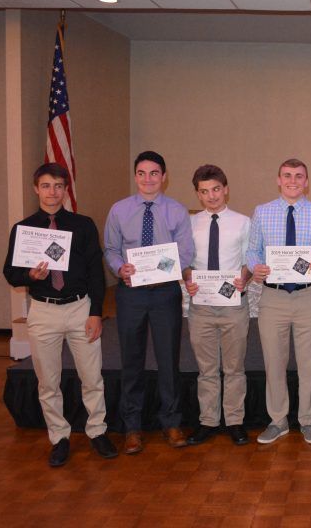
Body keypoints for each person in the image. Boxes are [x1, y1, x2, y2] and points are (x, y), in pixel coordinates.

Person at [2, 163, 118, 467]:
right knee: (48, 381)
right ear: (35, 189)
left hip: (80, 308)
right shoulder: (24, 230)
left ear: (66, 190)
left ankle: (97, 431)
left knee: (92, 377)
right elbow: (11, 274)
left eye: (58, 186)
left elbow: (96, 273)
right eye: (46, 186)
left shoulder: (83, 225)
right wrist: (31, 274)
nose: (52, 192)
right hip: (43, 311)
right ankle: (59, 437)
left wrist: (95, 312)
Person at [104, 151, 195, 454]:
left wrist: (162, 270)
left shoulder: (177, 211)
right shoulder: (119, 210)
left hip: (165, 292)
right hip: (130, 293)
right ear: (135, 176)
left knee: (169, 359)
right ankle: (132, 427)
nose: (147, 179)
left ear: (164, 176)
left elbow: (186, 252)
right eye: (141, 173)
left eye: (154, 173)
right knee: (131, 359)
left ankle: (171, 422)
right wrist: (120, 268)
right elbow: (111, 249)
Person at [248, 159, 311, 446]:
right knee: (274, 362)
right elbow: (252, 250)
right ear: (278, 179)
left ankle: (308, 420)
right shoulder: (262, 212)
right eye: (287, 175)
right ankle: (278, 420)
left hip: (308, 295)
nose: (293, 180)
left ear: (307, 181)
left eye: (299, 176)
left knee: (309, 363)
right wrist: (255, 266)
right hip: (273, 297)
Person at [182, 165, 251, 446]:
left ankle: (234, 421)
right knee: (207, 369)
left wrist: (244, 278)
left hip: (234, 305)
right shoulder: (188, 225)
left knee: (234, 368)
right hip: (201, 307)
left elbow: (250, 259)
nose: (211, 196)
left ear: (226, 189)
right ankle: (208, 421)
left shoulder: (243, 222)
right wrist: (187, 278)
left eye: (216, 189)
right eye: (204, 191)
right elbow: (184, 262)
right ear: (198, 194)